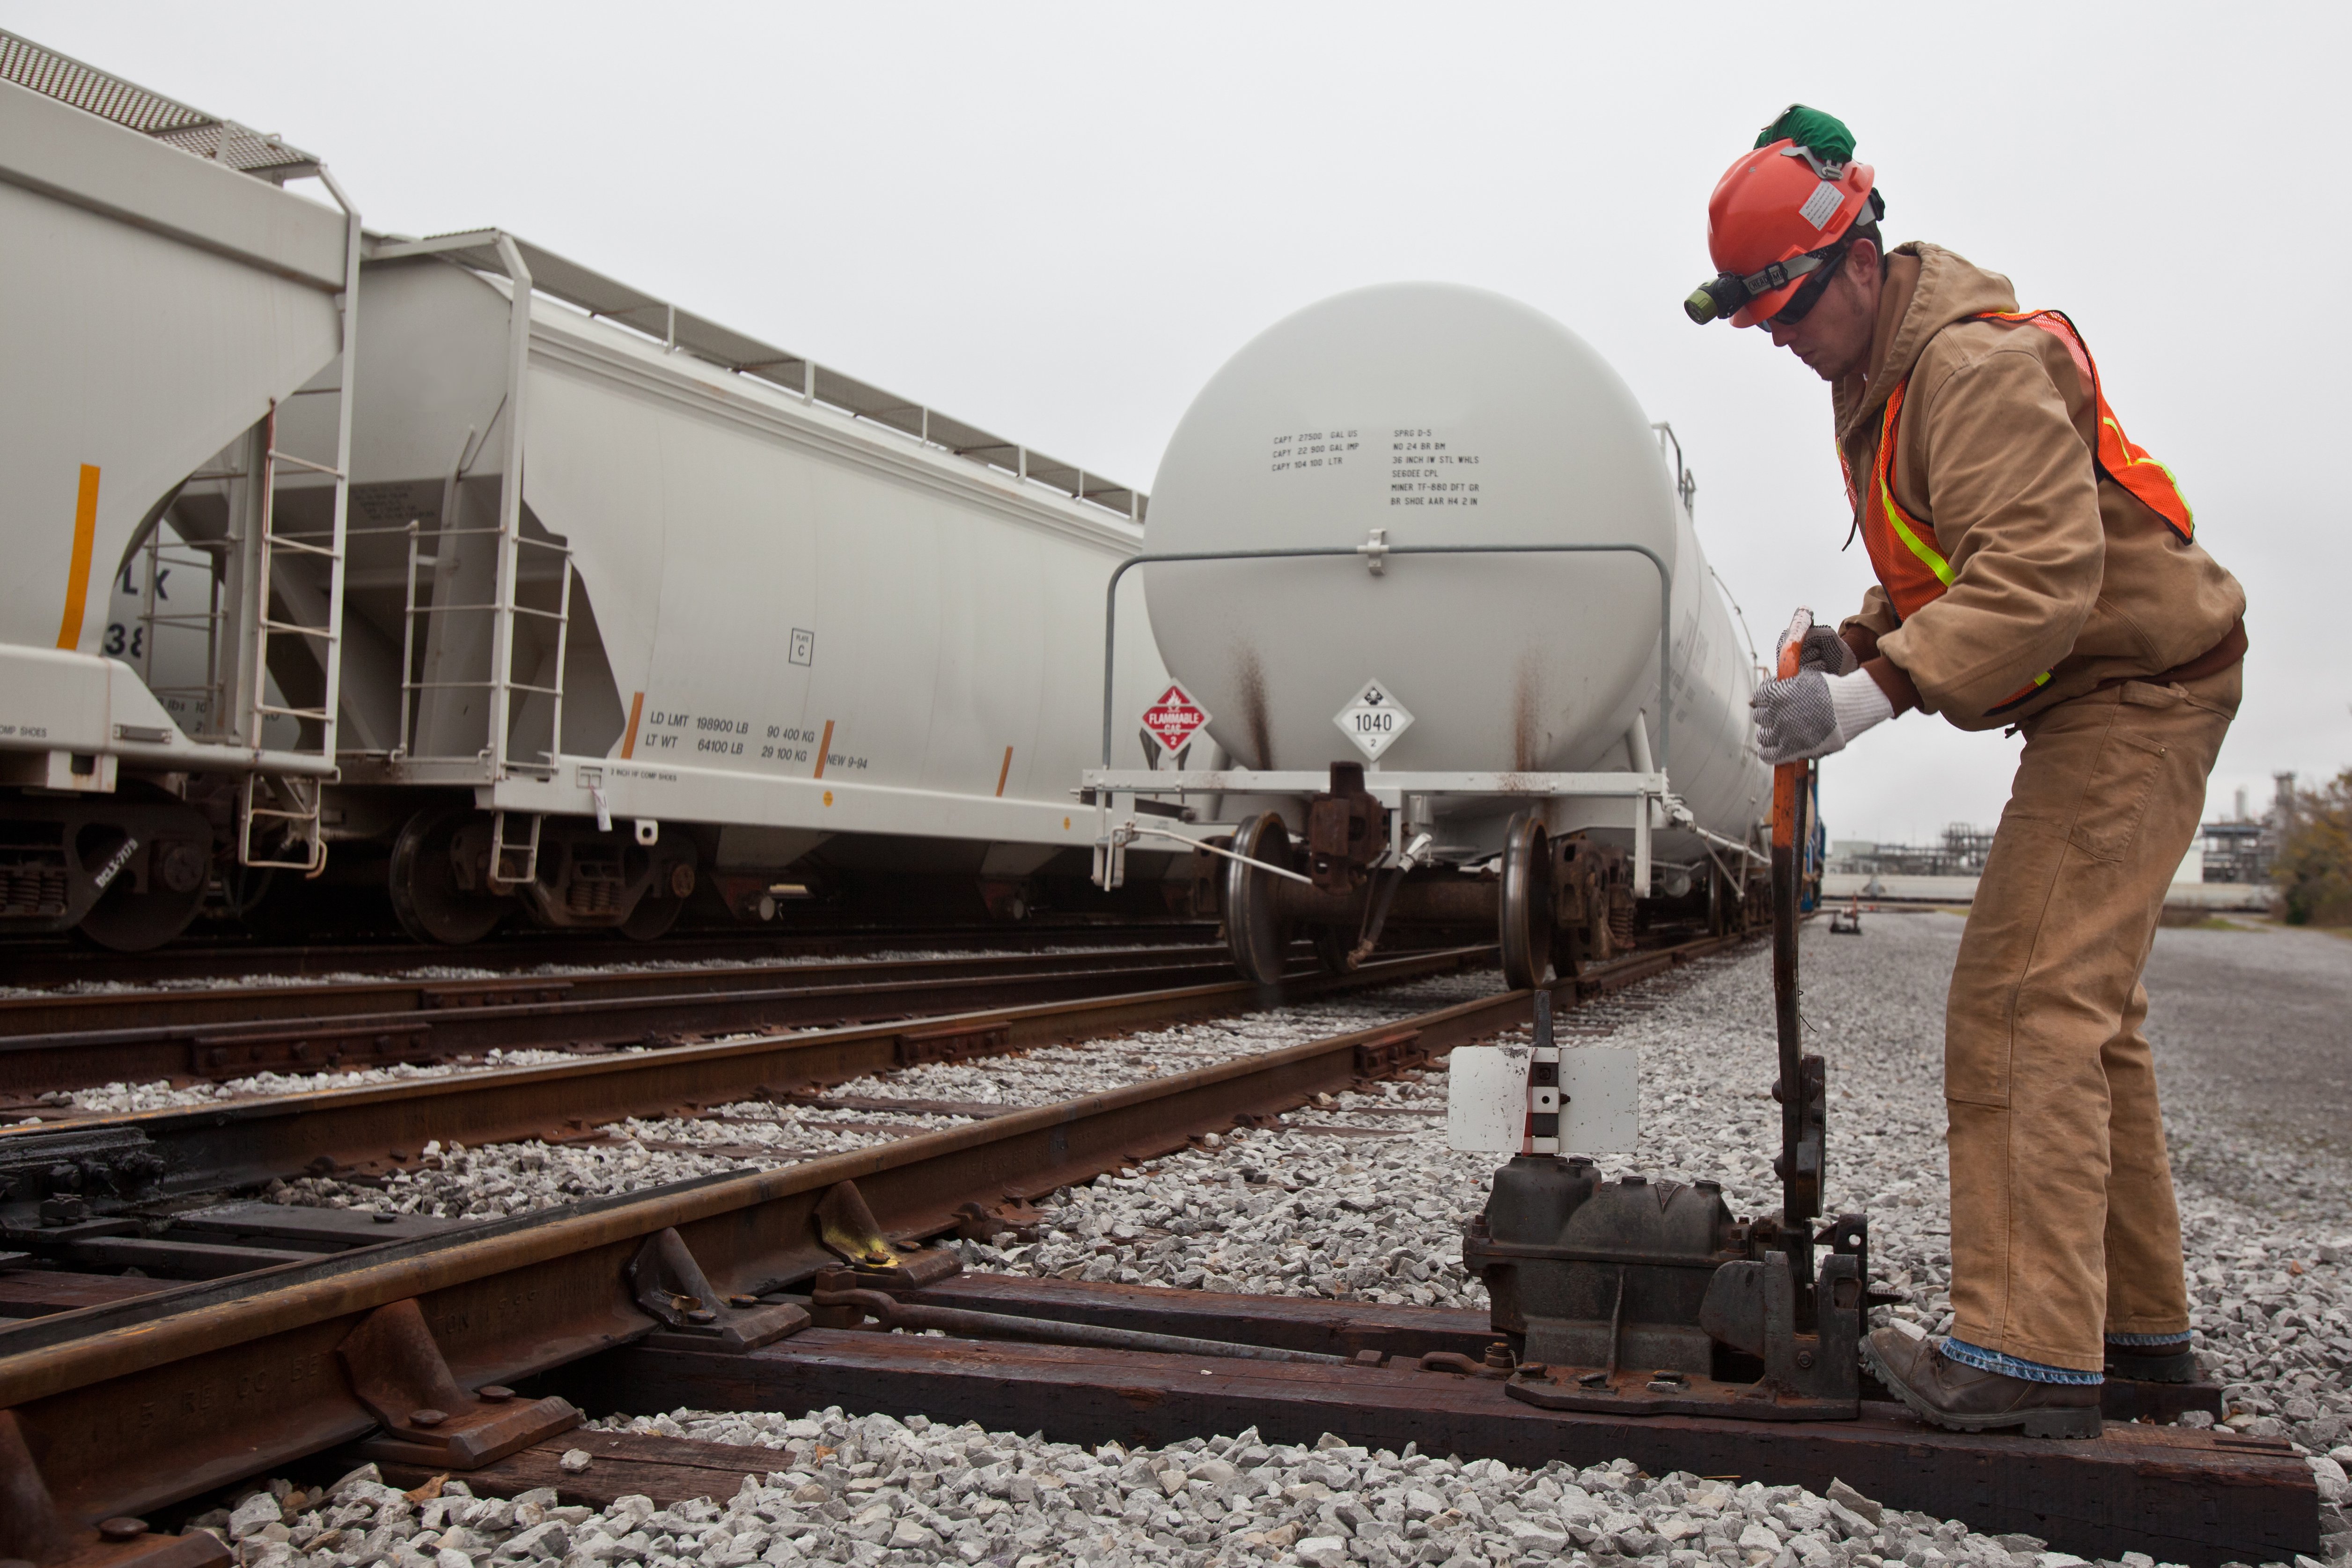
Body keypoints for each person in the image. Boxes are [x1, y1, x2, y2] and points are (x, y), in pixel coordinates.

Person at [1689, 106, 2247, 1438]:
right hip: (2108, 691)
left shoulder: (1967, 370)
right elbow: (1949, 564)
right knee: (2089, 1019)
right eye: (1758, 318)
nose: (1779, 337)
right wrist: (1858, 640)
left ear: (1861, 263)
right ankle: (2137, 1340)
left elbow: (2042, 582)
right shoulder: (1877, 386)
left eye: (1789, 307)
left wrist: (1868, 700)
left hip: (2136, 688)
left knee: (2018, 1001)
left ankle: (2030, 1362)